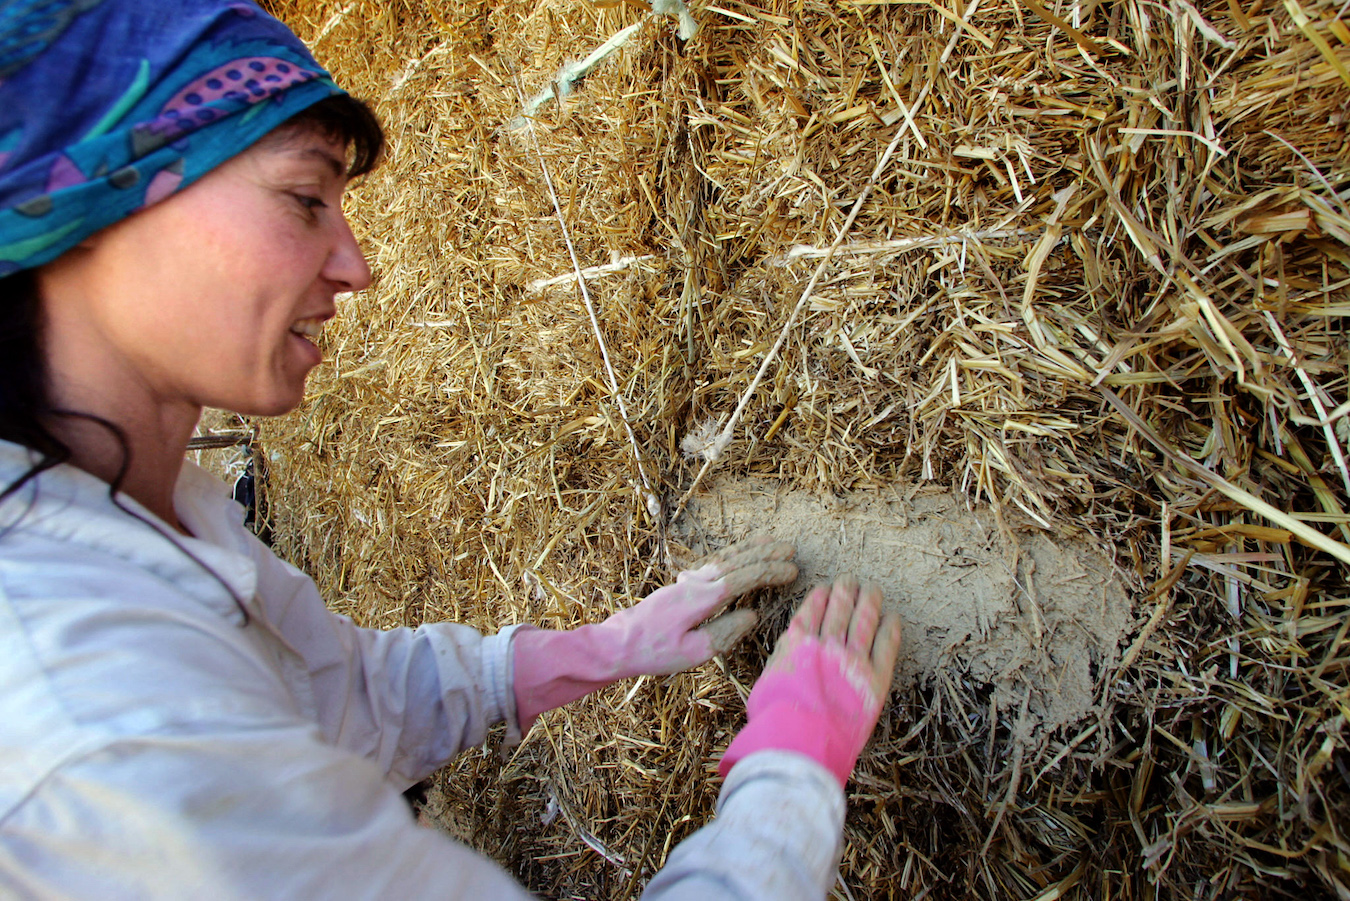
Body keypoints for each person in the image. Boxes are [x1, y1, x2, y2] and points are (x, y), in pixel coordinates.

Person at [0, 2, 903, 898]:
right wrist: (792, 770)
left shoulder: (157, 516)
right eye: (305, 198)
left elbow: (338, 697)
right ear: (91, 201)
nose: (358, 266)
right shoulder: (96, 726)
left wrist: (596, 648)